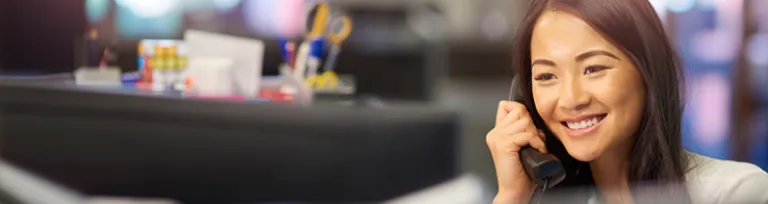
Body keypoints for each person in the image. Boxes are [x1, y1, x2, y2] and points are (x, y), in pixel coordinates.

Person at [485, 0, 768, 203]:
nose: (571, 99)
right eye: (546, 75)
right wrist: (512, 196)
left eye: (594, 68)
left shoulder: (735, 192)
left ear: (648, 71)